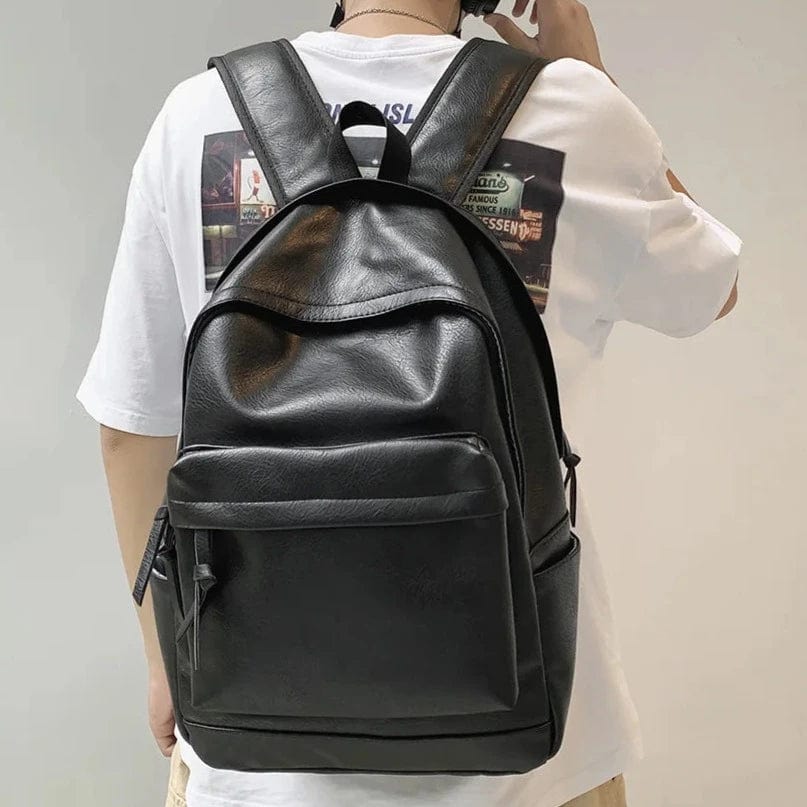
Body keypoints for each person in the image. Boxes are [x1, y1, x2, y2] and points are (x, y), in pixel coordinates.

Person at [77, 1, 741, 806]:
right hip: (534, 759)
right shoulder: (579, 110)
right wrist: (594, 79)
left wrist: (166, 664)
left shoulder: (196, 117)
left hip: (251, 751)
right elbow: (712, 287)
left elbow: (131, 428)